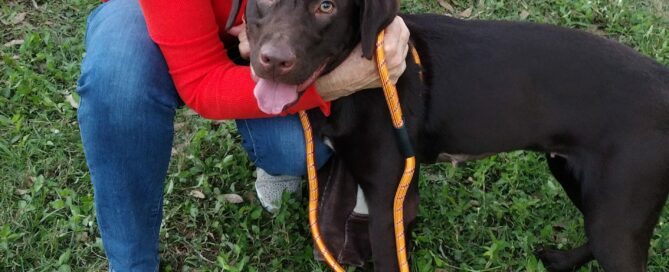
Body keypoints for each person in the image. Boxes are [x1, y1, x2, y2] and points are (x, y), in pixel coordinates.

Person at [76, 0, 410, 270]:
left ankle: (280, 158)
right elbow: (202, 86)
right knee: (118, 79)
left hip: (274, 29)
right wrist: (334, 84)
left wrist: (381, 19)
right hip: (156, 14)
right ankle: (131, 263)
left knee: (291, 150)